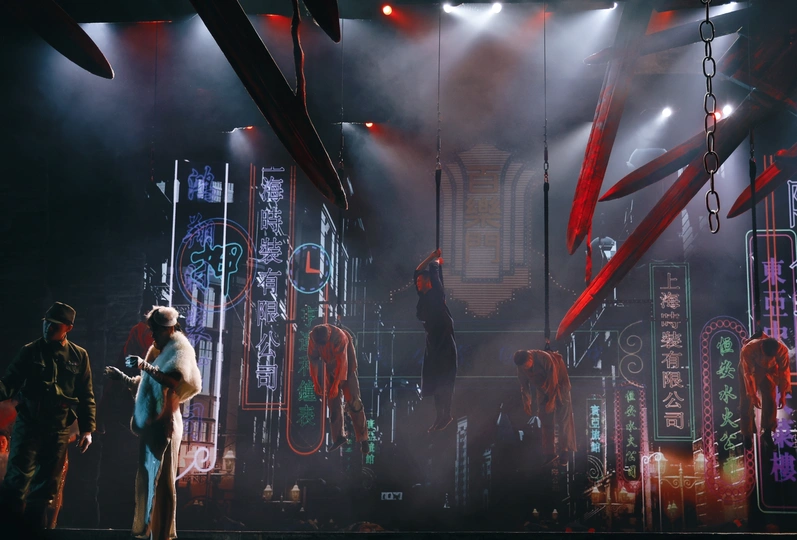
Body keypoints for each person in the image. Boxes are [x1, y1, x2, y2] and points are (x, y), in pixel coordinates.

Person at [104, 306, 201, 540]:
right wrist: (123, 377)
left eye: (156, 330)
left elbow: (173, 381)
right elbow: (147, 385)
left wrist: (145, 366)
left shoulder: (180, 349)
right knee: (147, 478)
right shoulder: (157, 351)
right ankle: (147, 532)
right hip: (153, 422)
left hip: (167, 420)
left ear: (169, 329)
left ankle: (161, 533)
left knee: (162, 480)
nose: (152, 334)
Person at [0, 302, 95, 529]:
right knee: (16, 481)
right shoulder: (30, 351)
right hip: (29, 424)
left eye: (54, 325)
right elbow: (9, 382)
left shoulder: (78, 356)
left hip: (58, 427)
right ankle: (10, 532)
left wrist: (87, 429)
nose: (48, 328)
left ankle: (35, 533)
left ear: (68, 327)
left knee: (45, 488)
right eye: (46, 323)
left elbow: (86, 394)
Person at [96, 307, 154, 528]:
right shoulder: (144, 340)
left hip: (135, 424)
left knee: (125, 480)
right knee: (121, 480)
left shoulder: (151, 344)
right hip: (127, 423)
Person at [307, 324, 369, 454]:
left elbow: (343, 364)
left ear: (329, 335)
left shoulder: (339, 337)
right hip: (331, 368)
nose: (322, 346)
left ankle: (363, 438)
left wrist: (336, 385)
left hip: (347, 368)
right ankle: (339, 437)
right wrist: (316, 383)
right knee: (333, 404)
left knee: (354, 402)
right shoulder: (314, 337)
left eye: (324, 343)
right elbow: (313, 360)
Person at [415, 249, 457, 432]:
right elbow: (418, 270)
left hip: (444, 344)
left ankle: (446, 414)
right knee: (433, 379)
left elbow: (433, 272)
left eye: (420, 281)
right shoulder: (423, 298)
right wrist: (431, 256)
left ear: (429, 282)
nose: (417, 283)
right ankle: (440, 416)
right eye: (417, 281)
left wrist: (436, 262)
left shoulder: (437, 294)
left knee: (444, 380)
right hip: (432, 343)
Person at [513, 349, 576, 462]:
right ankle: (549, 453)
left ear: (530, 358)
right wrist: (526, 402)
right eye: (523, 367)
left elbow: (553, 381)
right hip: (542, 389)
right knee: (544, 418)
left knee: (563, 419)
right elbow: (524, 385)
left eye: (526, 366)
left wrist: (551, 401)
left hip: (560, 385)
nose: (526, 369)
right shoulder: (521, 366)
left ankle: (564, 450)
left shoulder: (545, 358)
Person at [739, 333, 792, 446]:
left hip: (771, 370)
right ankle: (747, 433)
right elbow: (748, 374)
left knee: (771, 399)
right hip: (750, 369)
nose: (767, 359)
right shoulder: (749, 349)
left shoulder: (782, 350)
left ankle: (767, 431)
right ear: (761, 347)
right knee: (747, 401)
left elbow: (784, 372)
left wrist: (783, 394)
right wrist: (753, 395)